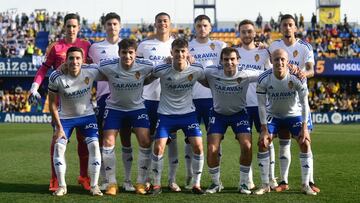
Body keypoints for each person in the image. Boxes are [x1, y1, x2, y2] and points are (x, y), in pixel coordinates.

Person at [28, 13, 92, 192]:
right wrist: (34, 87)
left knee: (83, 140)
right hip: (61, 102)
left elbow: (95, 68)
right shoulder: (55, 47)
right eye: (68, 26)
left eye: (74, 26)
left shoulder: (86, 45)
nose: (71, 29)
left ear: (79, 28)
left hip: (81, 100)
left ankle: (84, 176)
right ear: (64, 27)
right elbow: (43, 68)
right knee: (57, 139)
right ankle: (55, 178)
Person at [254, 48, 317, 195]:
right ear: (271, 61)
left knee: (305, 142)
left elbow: (304, 103)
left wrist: (305, 127)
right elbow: (262, 105)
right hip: (273, 115)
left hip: (293, 115)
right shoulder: (263, 78)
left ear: (287, 61)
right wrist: (264, 128)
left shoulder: (297, 77)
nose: (280, 62)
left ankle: (305, 184)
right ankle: (265, 184)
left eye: (283, 59)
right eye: (276, 59)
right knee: (263, 142)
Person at [269, 14, 320, 193]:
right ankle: (283, 181)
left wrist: (299, 73)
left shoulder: (305, 46)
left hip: (299, 102)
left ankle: (310, 182)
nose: (287, 28)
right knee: (283, 141)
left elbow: (311, 69)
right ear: (280, 27)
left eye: (291, 25)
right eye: (284, 25)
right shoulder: (274, 46)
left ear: (295, 28)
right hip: (280, 100)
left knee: (305, 140)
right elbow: (269, 67)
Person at [150, 38, 205, 195]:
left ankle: (196, 184)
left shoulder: (196, 70)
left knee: (198, 146)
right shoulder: (161, 69)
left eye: (183, 51)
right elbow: (147, 78)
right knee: (158, 146)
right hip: (166, 115)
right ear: (171, 53)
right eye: (176, 51)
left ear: (187, 53)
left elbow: (208, 82)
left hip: (188, 114)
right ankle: (156, 184)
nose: (180, 54)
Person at [203, 47, 261, 194]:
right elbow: (195, 72)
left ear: (238, 60)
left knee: (247, 146)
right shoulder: (211, 72)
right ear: (221, 61)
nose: (229, 62)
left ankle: (243, 183)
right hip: (218, 114)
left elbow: (267, 73)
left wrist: (292, 69)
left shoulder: (246, 73)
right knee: (212, 148)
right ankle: (216, 183)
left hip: (239, 114)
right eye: (226, 59)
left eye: (232, 59)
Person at [99, 39, 153, 195]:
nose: (127, 56)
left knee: (145, 140)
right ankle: (112, 183)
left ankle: (141, 183)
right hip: (114, 109)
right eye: (124, 53)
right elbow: (90, 70)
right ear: (119, 53)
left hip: (137, 109)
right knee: (108, 141)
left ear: (136, 54)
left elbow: (160, 71)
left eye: (131, 53)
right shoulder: (108, 66)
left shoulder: (145, 65)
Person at [88, 12, 135, 192]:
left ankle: (128, 180)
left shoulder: (129, 46)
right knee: (105, 140)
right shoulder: (95, 48)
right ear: (104, 27)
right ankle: (107, 179)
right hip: (104, 99)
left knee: (126, 139)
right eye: (109, 24)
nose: (112, 27)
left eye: (115, 24)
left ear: (120, 26)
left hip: (126, 98)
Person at [48, 47, 103, 196]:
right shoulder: (56, 76)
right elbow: (52, 104)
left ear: (83, 60)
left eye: (78, 58)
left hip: (87, 116)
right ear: (66, 60)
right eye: (71, 58)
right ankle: (62, 186)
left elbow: (111, 69)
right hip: (65, 119)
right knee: (59, 147)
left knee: (94, 146)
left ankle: (94, 186)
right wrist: (58, 127)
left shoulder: (91, 71)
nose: (75, 61)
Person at [136, 12, 180, 192]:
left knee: (172, 140)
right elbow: (137, 71)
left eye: (165, 21)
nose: (162, 24)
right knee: (148, 141)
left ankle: (172, 179)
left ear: (170, 24)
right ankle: (147, 179)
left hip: (170, 100)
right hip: (147, 99)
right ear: (154, 24)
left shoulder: (176, 45)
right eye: (159, 21)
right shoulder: (144, 45)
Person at [186, 14, 226, 190]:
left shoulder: (219, 46)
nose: (202, 28)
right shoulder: (187, 47)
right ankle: (191, 177)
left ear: (210, 28)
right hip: (191, 99)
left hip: (213, 99)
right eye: (199, 26)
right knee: (190, 141)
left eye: (205, 25)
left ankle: (217, 179)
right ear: (194, 28)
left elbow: (232, 62)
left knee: (215, 141)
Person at [236, 19, 276, 190]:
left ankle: (271, 178)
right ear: (239, 33)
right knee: (246, 144)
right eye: (243, 31)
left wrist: (267, 46)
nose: (247, 34)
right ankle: (248, 179)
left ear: (255, 33)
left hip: (262, 104)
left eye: (249, 31)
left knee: (267, 142)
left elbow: (273, 73)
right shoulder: (234, 53)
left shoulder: (264, 52)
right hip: (242, 106)